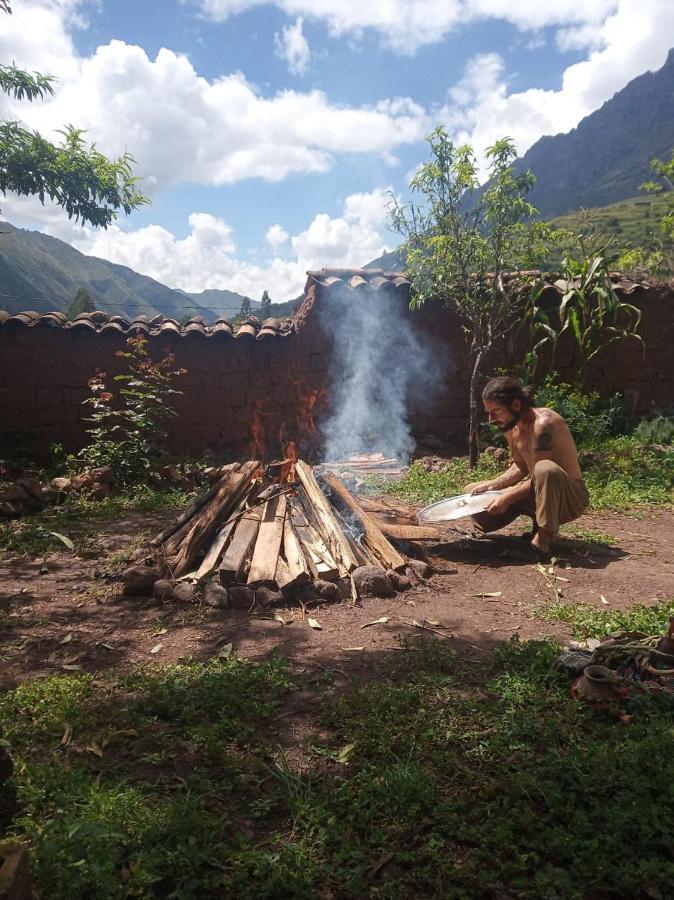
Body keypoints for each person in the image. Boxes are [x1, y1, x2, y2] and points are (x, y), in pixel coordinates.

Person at [463, 376, 589, 558]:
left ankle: (542, 544)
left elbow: (541, 476)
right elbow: (520, 467)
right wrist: (492, 486)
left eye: (495, 412)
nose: (491, 419)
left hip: (571, 499)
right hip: (540, 489)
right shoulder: (513, 428)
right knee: (472, 490)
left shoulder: (544, 425)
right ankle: (537, 525)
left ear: (515, 405)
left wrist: (507, 498)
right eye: (488, 413)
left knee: (544, 469)